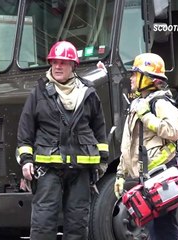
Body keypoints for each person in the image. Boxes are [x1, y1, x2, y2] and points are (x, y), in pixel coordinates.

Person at [17, 41, 109, 240]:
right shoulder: (39, 93)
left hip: (81, 170)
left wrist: (102, 162)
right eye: (54, 62)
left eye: (63, 62)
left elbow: (99, 129)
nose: (58, 66)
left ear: (73, 66)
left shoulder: (88, 92)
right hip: (47, 170)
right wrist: (26, 160)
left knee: (77, 224)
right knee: (43, 223)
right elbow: (25, 131)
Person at [114, 53, 178, 240]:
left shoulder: (160, 102)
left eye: (136, 74)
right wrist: (121, 174)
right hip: (148, 177)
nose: (131, 78)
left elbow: (174, 130)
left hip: (163, 175)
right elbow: (129, 144)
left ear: (149, 79)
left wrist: (146, 116)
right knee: (152, 228)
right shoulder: (138, 104)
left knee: (164, 226)